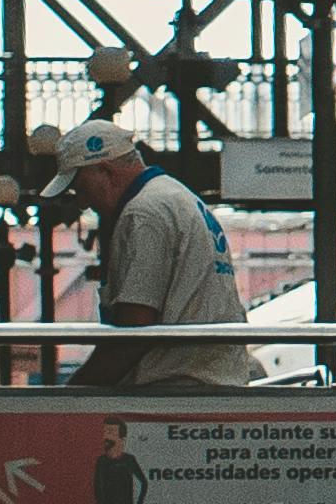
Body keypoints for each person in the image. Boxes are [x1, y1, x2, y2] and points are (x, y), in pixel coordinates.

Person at [55, 118, 252, 390]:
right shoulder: (178, 197)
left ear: (105, 171)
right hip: (211, 379)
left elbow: (135, 329)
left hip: (176, 386)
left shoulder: (144, 213)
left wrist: (70, 395)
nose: (82, 202)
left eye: (82, 188)